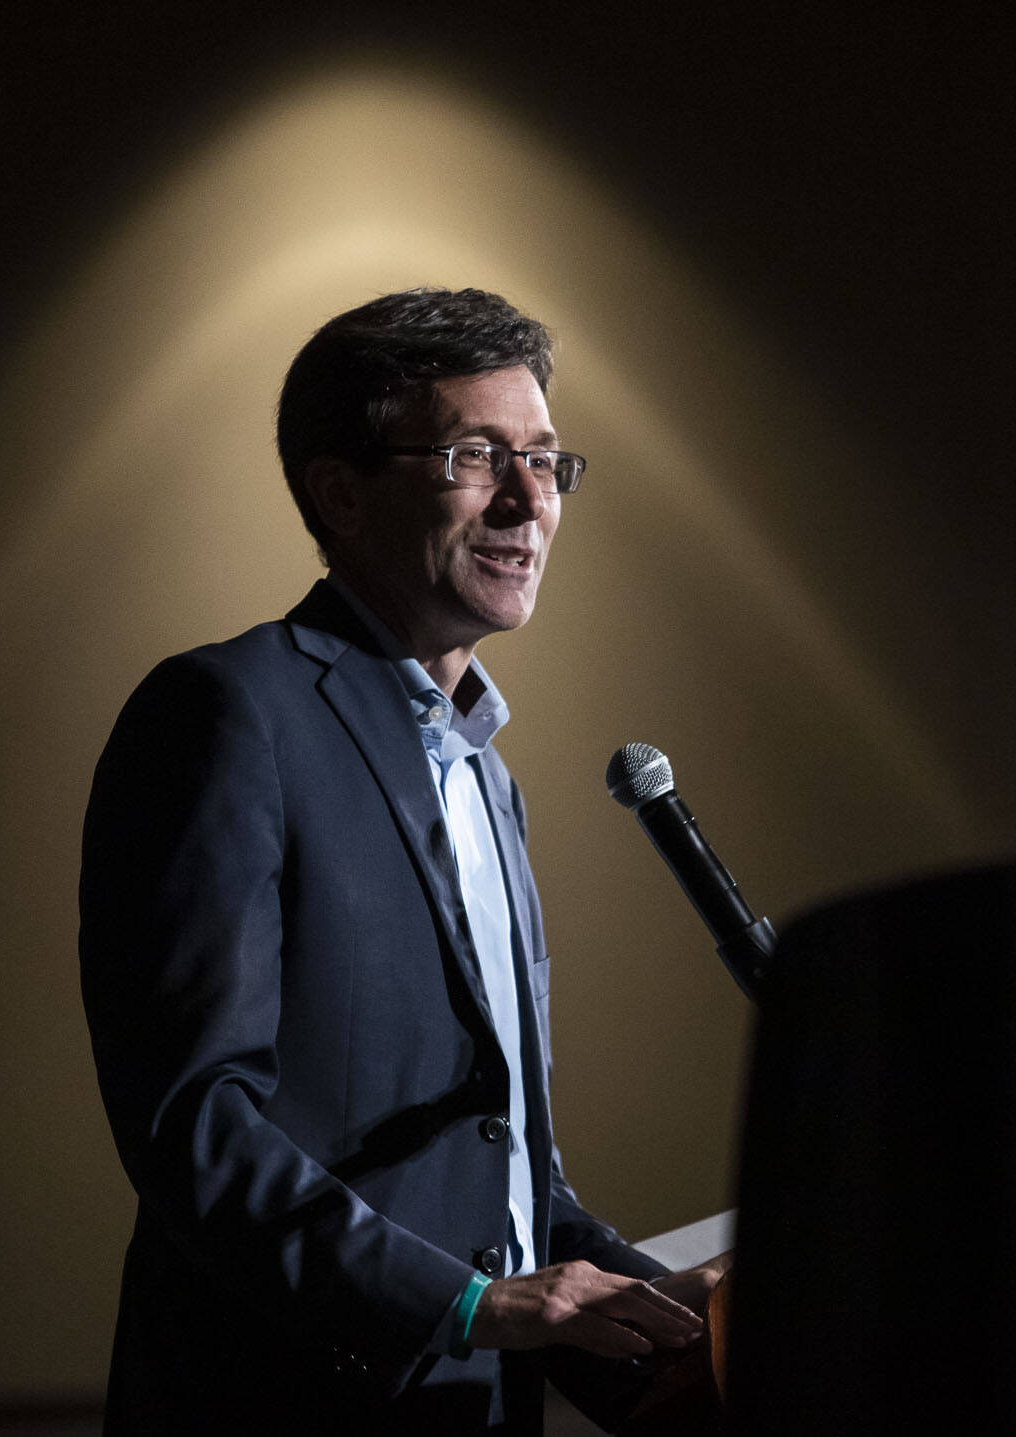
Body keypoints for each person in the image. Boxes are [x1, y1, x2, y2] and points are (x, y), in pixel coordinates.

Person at [80, 288, 724, 1434]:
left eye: (545, 460)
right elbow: (194, 1130)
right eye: (477, 458)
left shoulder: (487, 775)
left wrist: (651, 1316)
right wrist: (472, 1304)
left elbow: (498, 1174)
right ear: (341, 491)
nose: (529, 501)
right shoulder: (228, 715)